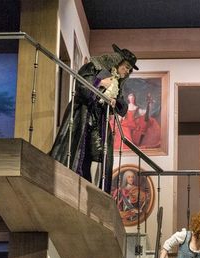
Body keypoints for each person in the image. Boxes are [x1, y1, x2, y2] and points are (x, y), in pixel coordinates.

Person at [49, 44, 138, 193]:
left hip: (99, 119)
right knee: (76, 149)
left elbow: (122, 107)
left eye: (130, 69)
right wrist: (100, 83)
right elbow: (81, 85)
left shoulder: (117, 82)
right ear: (117, 61)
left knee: (98, 153)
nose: (127, 71)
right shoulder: (93, 67)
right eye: (126, 67)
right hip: (83, 114)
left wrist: (115, 101)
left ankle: (90, 188)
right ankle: (70, 182)